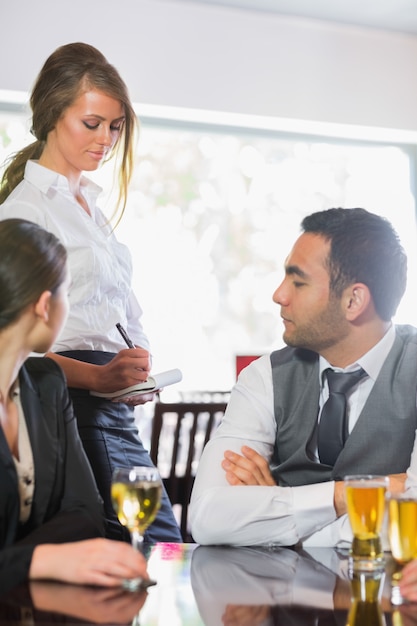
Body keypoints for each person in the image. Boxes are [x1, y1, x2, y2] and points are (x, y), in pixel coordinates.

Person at [0, 42, 181, 543]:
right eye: (92, 123)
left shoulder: (90, 208)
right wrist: (100, 378)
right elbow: (16, 347)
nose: (106, 138)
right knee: (152, 549)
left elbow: (116, 307)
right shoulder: (26, 212)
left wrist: (132, 370)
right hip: (71, 403)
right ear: (53, 115)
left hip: (110, 402)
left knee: (152, 548)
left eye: (115, 126)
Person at [190, 207, 417, 547]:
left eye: (298, 282)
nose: (279, 295)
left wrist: (278, 518)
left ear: (354, 300)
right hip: (277, 598)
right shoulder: (264, 376)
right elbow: (208, 518)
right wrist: (352, 495)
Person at [0, 218, 149, 591]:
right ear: (45, 305)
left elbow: (86, 513)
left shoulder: (48, 386)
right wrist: (39, 560)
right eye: (68, 293)